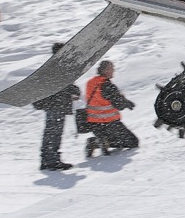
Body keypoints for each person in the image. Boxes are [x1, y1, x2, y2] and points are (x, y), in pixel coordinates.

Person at [32, 42, 80, 171]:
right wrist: (74, 90)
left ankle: (48, 160)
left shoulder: (55, 66)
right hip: (56, 105)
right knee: (53, 133)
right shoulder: (57, 67)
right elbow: (61, 86)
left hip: (55, 105)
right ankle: (51, 160)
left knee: (52, 133)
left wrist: (73, 90)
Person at [84, 59, 138, 158]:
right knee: (133, 142)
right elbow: (119, 104)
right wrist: (127, 103)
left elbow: (98, 99)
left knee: (114, 139)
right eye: (112, 68)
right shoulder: (107, 85)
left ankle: (99, 140)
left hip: (93, 124)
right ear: (106, 70)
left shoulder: (90, 82)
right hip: (110, 123)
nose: (113, 70)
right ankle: (98, 142)